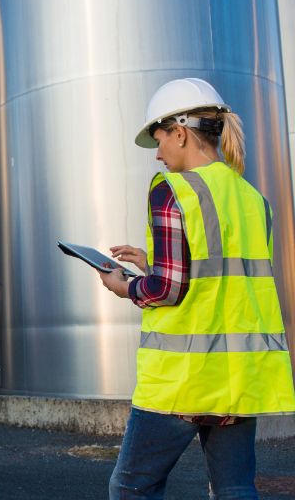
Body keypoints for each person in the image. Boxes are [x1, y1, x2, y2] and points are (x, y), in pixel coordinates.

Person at [98, 78, 295, 499]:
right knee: (235, 488)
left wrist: (125, 286)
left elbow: (168, 290)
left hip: (182, 380)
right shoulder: (254, 198)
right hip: (239, 379)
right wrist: (149, 262)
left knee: (132, 487)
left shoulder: (172, 190)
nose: (157, 152)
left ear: (181, 131)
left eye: (160, 138)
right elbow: (221, 277)